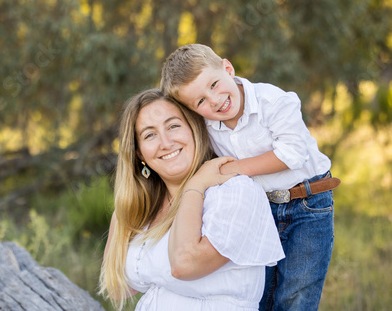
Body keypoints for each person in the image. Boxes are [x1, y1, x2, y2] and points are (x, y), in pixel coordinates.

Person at [160, 43, 341, 310]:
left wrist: (236, 168)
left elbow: (292, 154)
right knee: (261, 291)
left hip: (307, 204)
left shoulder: (273, 101)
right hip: (260, 209)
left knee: (296, 293)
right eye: (200, 101)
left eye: (214, 84)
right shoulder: (207, 126)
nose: (214, 100)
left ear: (227, 68)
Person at [99, 88, 284, 311]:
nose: (165, 142)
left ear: (195, 129)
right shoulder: (148, 209)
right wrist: (123, 214)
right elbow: (118, 288)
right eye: (149, 135)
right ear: (140, 154)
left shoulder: (235, 191)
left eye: (173, 126)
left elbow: (185, 265)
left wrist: (196, 185)